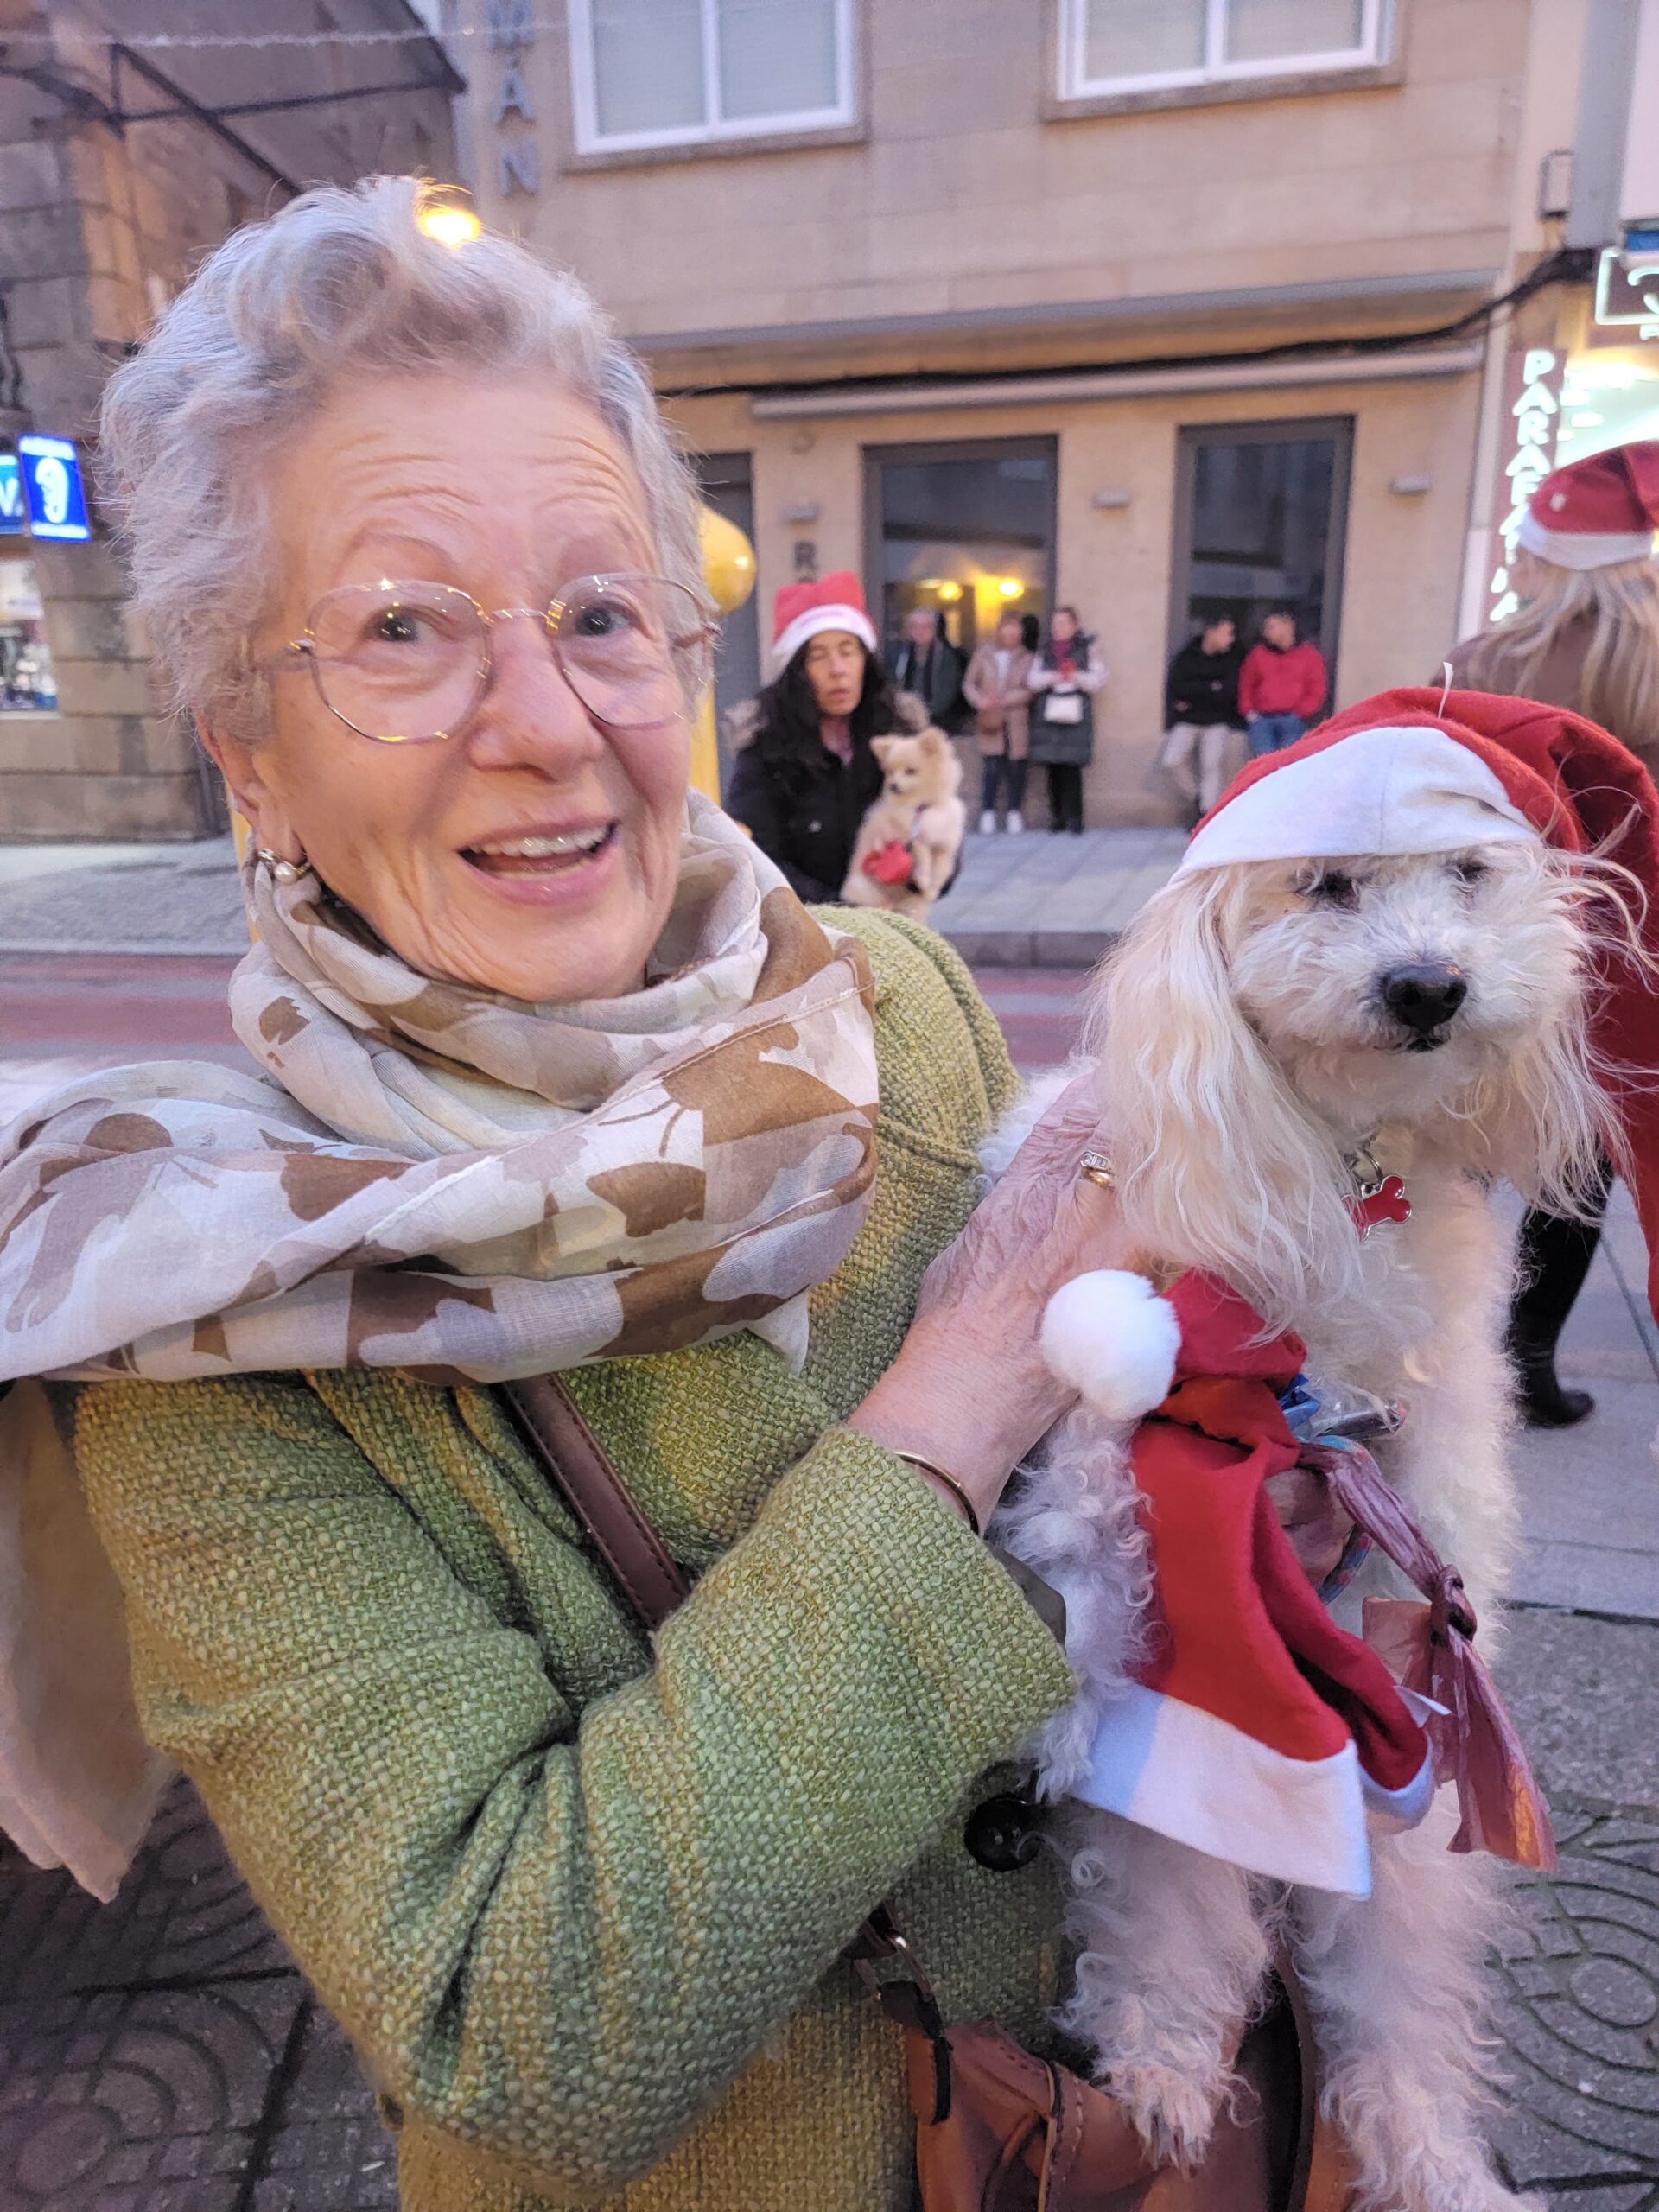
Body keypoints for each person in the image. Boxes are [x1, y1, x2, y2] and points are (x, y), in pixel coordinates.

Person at [0, 179, 1134, 2212]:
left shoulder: (896, 1002)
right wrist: (955, 1404)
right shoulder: (196, 1306)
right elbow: (520, 2018)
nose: (546, 723)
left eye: (601, 614)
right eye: (405, 627)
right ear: (248, 749)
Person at [1442, 437, 1659, 1427]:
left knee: (1451, 1145)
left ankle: (1416, 1344)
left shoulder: (1484, 662)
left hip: (1498, 938)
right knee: (1578, 1165)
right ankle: (1528, 1358)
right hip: (1625, 957)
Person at [722, 572, 895, 902]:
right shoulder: (765, 749)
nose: (837, 669)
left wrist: (917, 866)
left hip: (895, 920)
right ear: (798, 671)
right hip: (808, 921)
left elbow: (939, 839)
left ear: (865, 659)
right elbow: (756, 857)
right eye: (818, 656)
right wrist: (841, 913)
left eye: (848, 651)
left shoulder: (897, 734)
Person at [1027, 603, 1106, 833]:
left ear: (1074, 625)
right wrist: (1052, 677)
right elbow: (1032, 680)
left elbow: (1098, 680)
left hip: (1076, 712)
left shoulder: (1088, 647)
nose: (1058, 627)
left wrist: (1075, 676)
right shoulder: (1045, 649)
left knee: (1072, 767)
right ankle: (1057, 818)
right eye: (1055, 623)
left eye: (1063, 623)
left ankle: (1075, 819)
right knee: (1052, 768)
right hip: (1049, 712)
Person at [1159, 613, 1244, 817]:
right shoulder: (1187, 656)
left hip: (1218, 721)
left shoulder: (1231, 658)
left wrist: (1196, 693)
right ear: (1211, 632)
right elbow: (1178, 689)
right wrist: (1211, 688)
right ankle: (1198, 798)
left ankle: (1206, 814)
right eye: (1226, 633)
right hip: (1187, 721)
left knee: (1211, 766)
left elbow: (1229, 693)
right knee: (1171, 761)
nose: (1230, 639)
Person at [963, 607, 1034, 832]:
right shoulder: (983, 655)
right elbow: (969, 684)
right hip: (990, 718)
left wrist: (1007, 699)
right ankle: (988, 813)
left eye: (1015, 629)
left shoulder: (1028, 658)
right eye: (1007, 628)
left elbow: (1030, 688)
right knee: (992, 766)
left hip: (1016, 720)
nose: (1011, 633)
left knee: (1016, 767)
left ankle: (1014, 812)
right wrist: (980, 700)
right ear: (1000, 630)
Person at [1238, 608, 1327, 754]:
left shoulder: (1309, 655)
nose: (1266, 633)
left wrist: (1300, 713)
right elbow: (1246, 685)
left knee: (1288, 760)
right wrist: (1249, 712)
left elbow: (1316, 689)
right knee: (1264, 760)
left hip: (1292, 719)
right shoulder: (1258, 655)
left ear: (1288, 627)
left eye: (1271, 627)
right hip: (1262, 719)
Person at [887, 601, 963, 727]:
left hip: (938, 720)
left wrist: (925, 713)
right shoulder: (900, 654)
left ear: (934, 630)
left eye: (925, 627)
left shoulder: (945, 656)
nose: (920, 632)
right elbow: (893, 685)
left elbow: (947, 691)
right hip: (904, 718)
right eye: (915, 627)